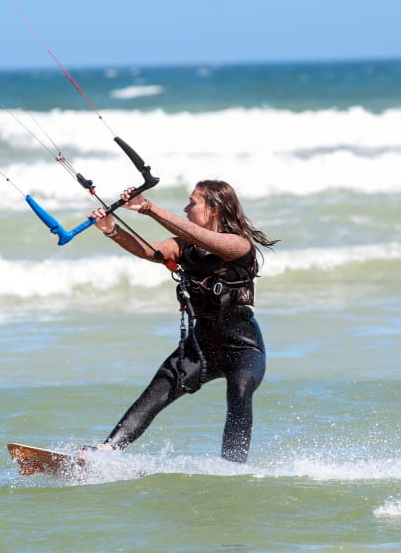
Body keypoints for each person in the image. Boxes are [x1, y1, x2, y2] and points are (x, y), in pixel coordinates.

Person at [85, 180, 278, 463]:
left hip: (243, 347)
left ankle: (233, 467)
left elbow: (201, 238)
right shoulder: (185, 246)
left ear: (214, 209)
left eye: (192, 203)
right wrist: (112, 230)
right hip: (201, 346)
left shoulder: (238, 245)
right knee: (158, 390)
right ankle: (106, 452)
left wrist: (148, 208)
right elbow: (150, 251)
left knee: (239, 394)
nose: (186, 209)